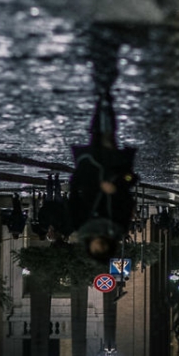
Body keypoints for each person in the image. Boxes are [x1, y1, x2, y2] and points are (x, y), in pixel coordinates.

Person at [69, 90, 137, 265]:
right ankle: (106, 103)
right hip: (115, 175)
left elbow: (73, 200)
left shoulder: (80, 226)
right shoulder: (119, 228)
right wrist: (115, 191)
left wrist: (76, 178)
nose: (99, 246)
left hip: (90, 174)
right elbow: (128, 203)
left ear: (90, 247)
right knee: (108, 139)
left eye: (96, 250)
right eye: (103, 250)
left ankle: (100, 105)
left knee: (95, 137)